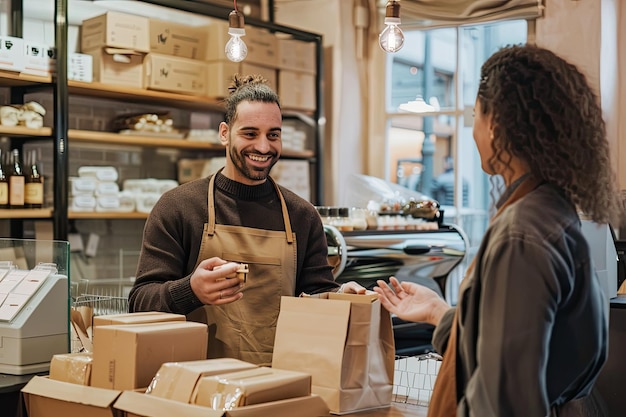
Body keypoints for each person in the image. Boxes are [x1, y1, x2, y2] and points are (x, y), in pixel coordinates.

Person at [374, 44, 621, 417]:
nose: (472, 131)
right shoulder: (552, 210)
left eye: (475, 115)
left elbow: (504, 401)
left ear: (497, 123)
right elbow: (523, 344)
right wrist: (439, 312)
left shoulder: (520, 233)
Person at [128, 74, 364, 366]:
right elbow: (139, 302)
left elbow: (316, 293)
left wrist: (341, 295)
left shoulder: (301, 215)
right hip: (195, 382)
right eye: (250, 134)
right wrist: (191, 290)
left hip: (278, 379)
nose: (264, 147)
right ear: (225, 133)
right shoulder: (179, 206)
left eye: (273, 135)